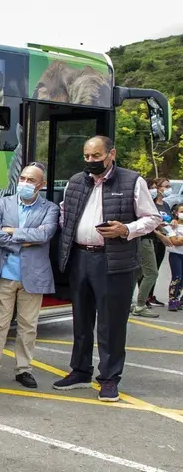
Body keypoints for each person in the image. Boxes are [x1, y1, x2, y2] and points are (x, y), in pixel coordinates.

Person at [53, 136, 160, 401]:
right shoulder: (76, 181)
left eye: (96, 156)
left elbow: (153, 218)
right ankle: (79, 371)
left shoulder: (132, 181)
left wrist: (126, 229)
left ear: (111, 153)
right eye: (86, 156)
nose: (90, 161)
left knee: (111, 324)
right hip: (80, 258)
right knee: (81, 320)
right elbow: (65, 212)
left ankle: (109, 378)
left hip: (114, 261)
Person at [0, 163, 59, 390]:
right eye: (22, 178)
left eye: (31, 180)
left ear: (40, 185)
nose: (24, 183)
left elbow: (45, 234)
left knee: (28, 326)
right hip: (4, 273)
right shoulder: (2, 203)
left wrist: (11, 231)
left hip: (34, 276)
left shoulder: (50, 208)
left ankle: (24, 370)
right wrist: (24, 241)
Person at [136, 176, 172, 311]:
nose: (168, 189)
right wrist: (160, 234)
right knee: (148, 272)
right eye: (165, 186)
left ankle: (148, 297)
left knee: (151, 270)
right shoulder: (148, 203)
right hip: (147, 238)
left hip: (157, 238)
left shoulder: (166, 204)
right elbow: (147, 223)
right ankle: (141, 302)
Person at [154, 202, 183, 310]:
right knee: (177, 277)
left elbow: (178, 240)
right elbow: (174, 241)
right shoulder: (172, 225)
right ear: (175, 213)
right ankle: (173, 300)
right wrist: (178, 240)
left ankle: (179, 299)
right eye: (181, 211)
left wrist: (180, 239)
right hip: (176, 254)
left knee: (182, 279)